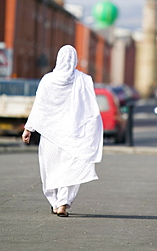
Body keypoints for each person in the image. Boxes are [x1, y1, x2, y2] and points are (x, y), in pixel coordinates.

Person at [22, 45, 103, 217]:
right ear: (75, 60)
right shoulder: (84, 79)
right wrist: (92, 130)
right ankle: (62, 204)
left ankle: (56, 202)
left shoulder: (47, 80)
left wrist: (29, 128)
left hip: (51, 135)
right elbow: (91, 109)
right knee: (69, 170)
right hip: (75, 134)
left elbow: (39, 106)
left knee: (50, 169)